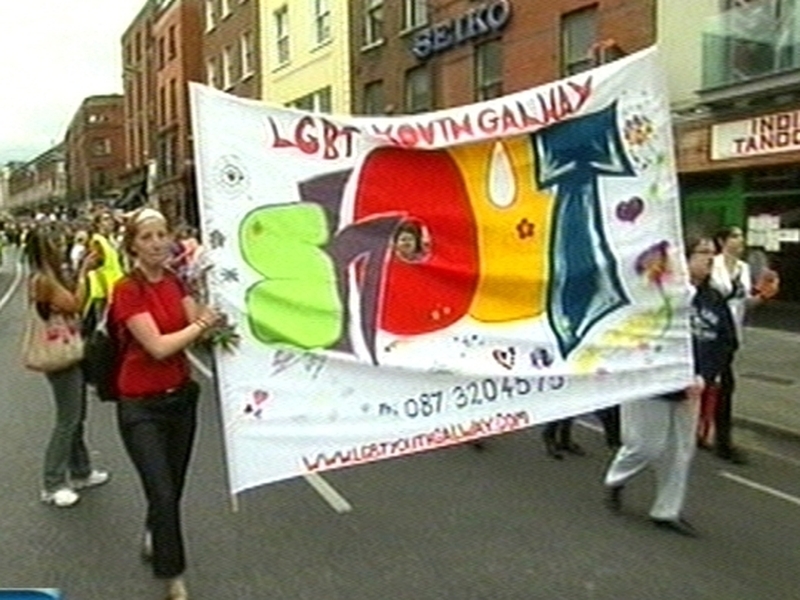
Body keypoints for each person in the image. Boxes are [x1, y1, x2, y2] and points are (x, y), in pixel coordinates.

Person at [109, 208, 220, 600]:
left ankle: (156, 530)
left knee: (171, 487)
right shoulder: (127, 289)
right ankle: (173, 579)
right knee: (161, 490)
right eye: (147, 237)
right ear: (133, 244)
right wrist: (202, 325)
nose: (157, 243)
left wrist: (217, 310)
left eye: (161, 235)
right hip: (141, 406)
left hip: (181, 400)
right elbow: (157, 347)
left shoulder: (176, 282)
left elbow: (200, 331)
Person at [603, 234, 738, 536]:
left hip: (692, 389)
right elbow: (635, 334)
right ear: (684, 256)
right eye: (703, 253)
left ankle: (666, 510)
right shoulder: (657, 292)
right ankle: (616, 479)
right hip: (650, 384)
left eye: (712, 254)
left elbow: (725, 342)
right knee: (646, 446)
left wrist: (705, 374)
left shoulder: (713, 299)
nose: (709, 259)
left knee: (680, 453)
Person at [25, 227, 110, 507]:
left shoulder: (47, 277)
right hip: (60, 356)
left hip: (67, 353)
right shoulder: (44, 280)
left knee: (76, 416)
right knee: (68, 420)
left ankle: (81, 470)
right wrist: (85, 271)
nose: (61, 245)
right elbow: (75, 303)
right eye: (56, 241)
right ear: (46, 248)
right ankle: (52, 483)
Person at [708, 226, 778, 464]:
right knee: (723, 386)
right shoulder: (712, 264)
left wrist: (763, 295)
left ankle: (709, 436)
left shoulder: (744, 268)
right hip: (710, 335)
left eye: (741, 236)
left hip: (731, 336)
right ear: (722, 240)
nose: (740, 240)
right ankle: (723, 444)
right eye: (735, 236)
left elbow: (744, 303)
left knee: (717, 386)